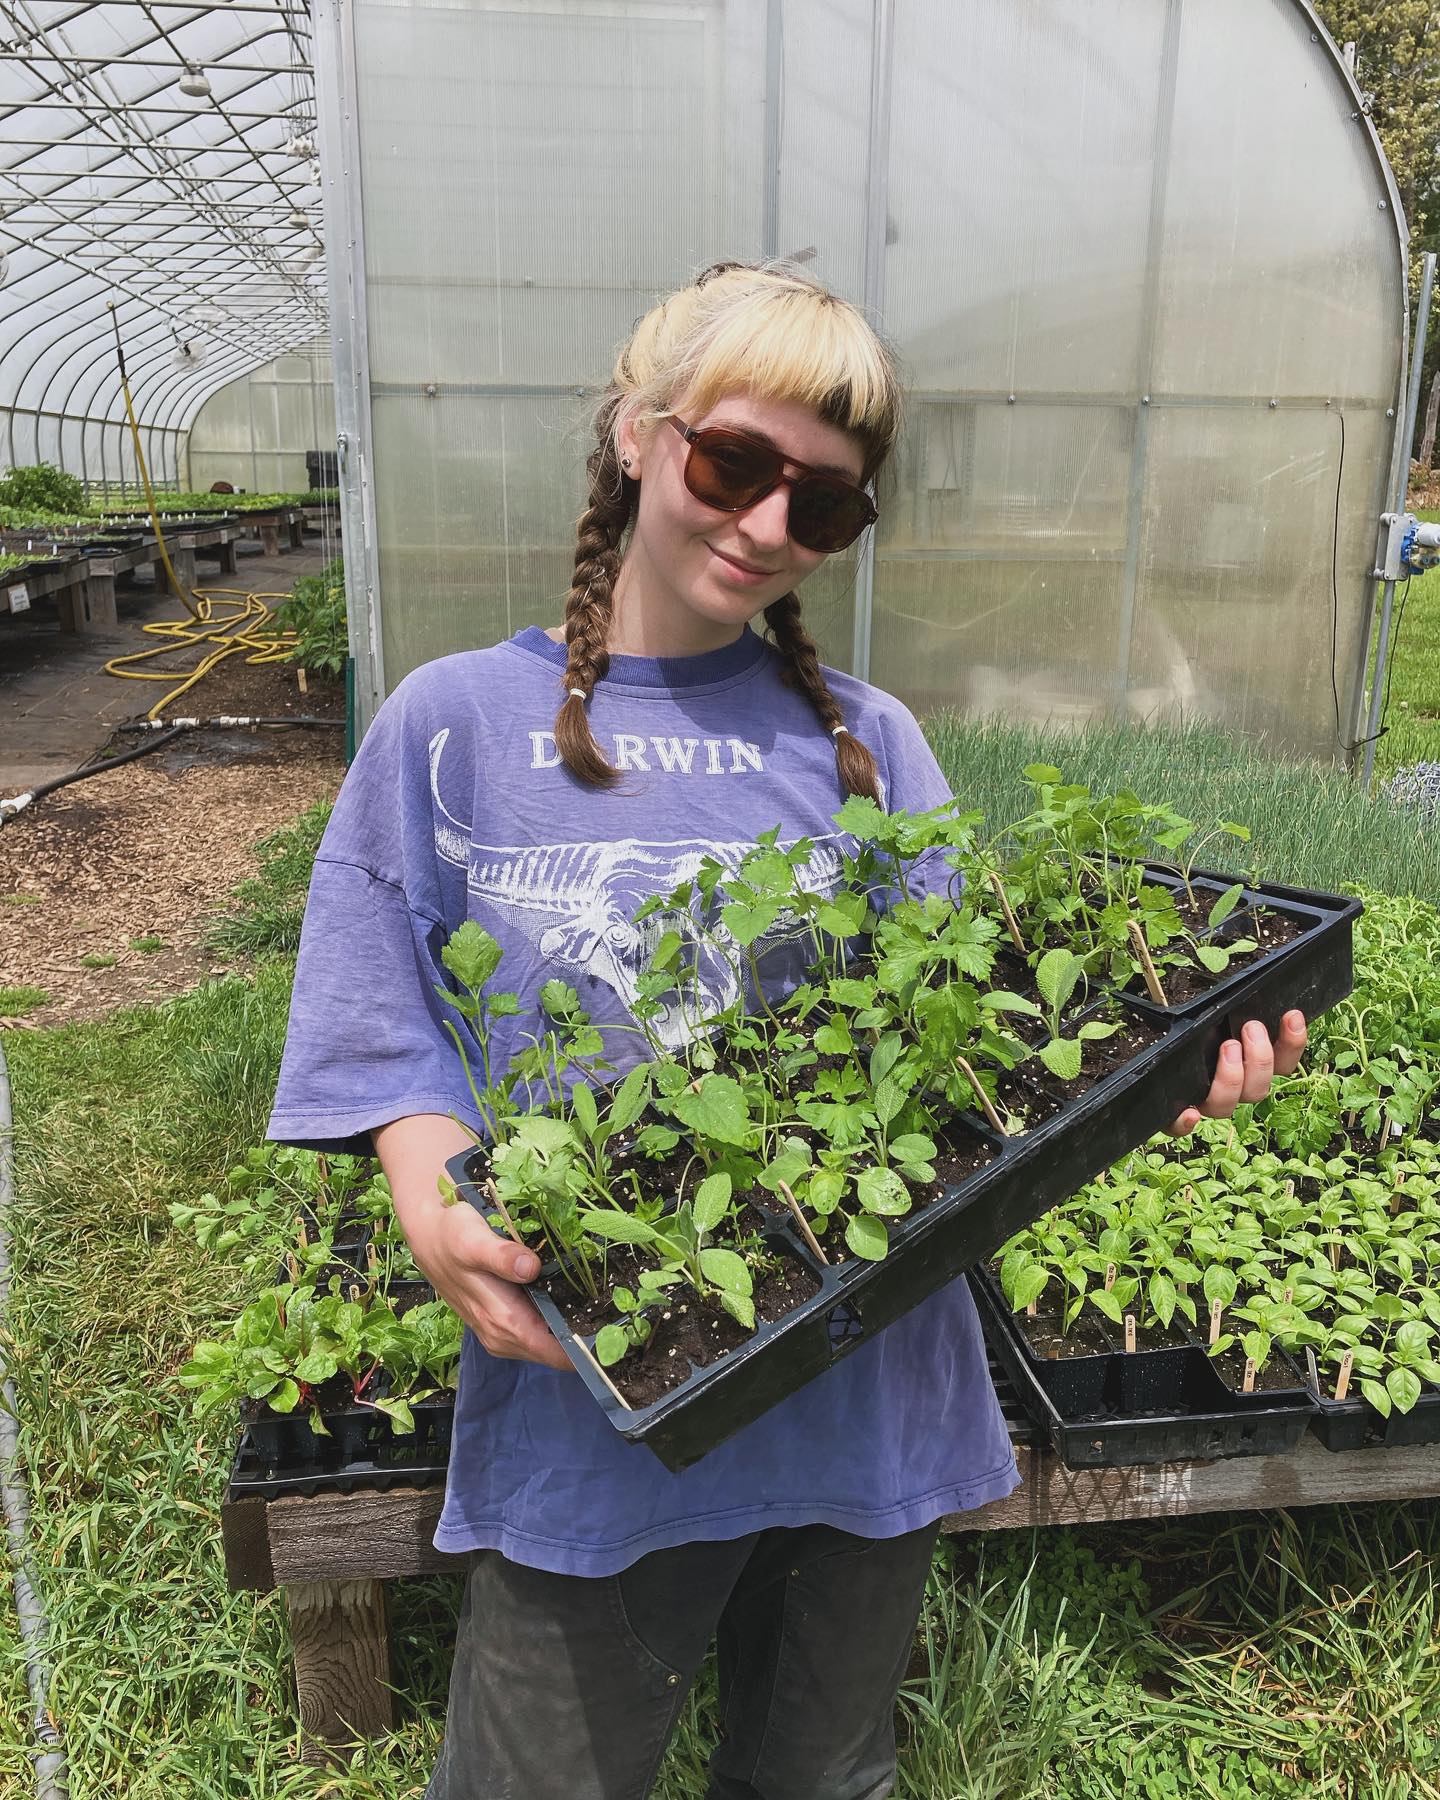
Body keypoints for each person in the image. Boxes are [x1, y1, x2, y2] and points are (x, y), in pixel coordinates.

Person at [267, 261, 1307, 1800]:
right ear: (637, 436)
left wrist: (1158, 1062)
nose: (765, 527)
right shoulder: (452, 728)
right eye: (732, 465)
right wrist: (429, 1186)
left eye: (822, 505)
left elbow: (984, 1062)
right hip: (600, 1403)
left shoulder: (869, 745)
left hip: (868, 1406)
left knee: (818, 1774)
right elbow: (377, 1018)